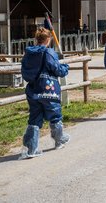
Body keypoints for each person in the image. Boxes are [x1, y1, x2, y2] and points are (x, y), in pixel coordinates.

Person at [20, 27, 70, 159]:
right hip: (49, 90)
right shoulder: (49, 52)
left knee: (34, 118)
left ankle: (31, 148)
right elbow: (57, 69)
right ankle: (59, 140)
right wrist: (65, 68)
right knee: (55, 114)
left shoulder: (28, 54)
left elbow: (25, 73)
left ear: (36, 39)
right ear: (48, 39)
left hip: (33, 89)